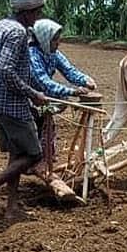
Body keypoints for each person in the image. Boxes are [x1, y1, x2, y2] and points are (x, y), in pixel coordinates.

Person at [0, 0, 50, 220]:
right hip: (12, 105)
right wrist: (33, 94)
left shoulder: (2, 25)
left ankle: (12, 207)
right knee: (34, 155)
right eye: (37, 12)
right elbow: (6, 70)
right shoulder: (18, 33)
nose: (38, 17)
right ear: (27, 12)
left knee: (17, 155)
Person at [27, 18, 98, 199]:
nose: (58, 43)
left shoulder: (53, 53)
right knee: (34, 139)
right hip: (30, 102)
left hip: (45, 102)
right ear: (44, 39)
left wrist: (85, 80)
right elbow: (44, 82)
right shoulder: (33, 55)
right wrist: (72, 92)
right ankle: (38, 165)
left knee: (47, 129)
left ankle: (46, 163)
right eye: (55, 39)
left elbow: (69, 70)